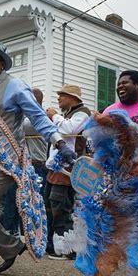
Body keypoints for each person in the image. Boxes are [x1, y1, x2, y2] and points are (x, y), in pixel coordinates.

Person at [0, 39, 76, 276]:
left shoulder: (16, 86)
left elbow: (39, 117)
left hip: (3, 161)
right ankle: (11, 247)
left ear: (2, 63)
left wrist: (59, 142)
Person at [43, 84, 91, 259]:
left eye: (62, 96)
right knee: (50, 205)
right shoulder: (69, 114)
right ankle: (52, 245)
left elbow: (69, 129)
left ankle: (66, 249)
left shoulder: (83, 112)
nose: (58, 99)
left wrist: (53, 115)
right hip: (57, 167)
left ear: (72, 98)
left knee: (61, 206)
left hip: (68, 168)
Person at [0, 88, 48, 238]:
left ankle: (28, 237)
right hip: (22, 164)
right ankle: (11, 233)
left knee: (29, 202)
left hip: (34, 165)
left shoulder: (37, 116)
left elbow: (14, 128)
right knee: (13, 199)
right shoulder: (26, 115)